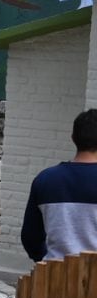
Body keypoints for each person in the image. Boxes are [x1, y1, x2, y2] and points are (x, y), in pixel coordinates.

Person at [22, 108, 97, 262]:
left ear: (73, 137)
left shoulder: (45, 179)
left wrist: (48, 263)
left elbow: (30, 238)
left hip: (55, 275)